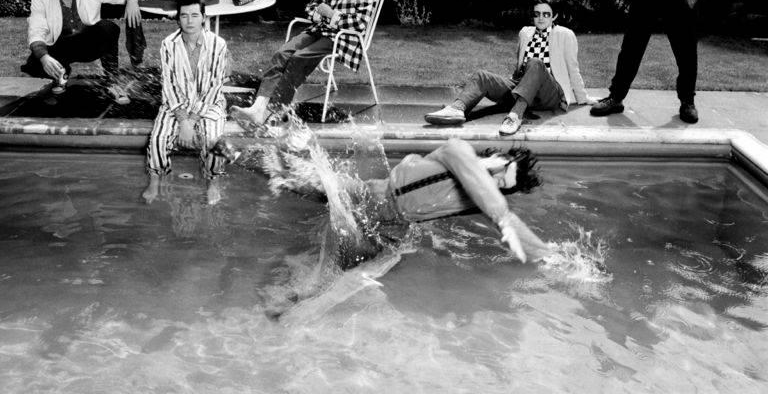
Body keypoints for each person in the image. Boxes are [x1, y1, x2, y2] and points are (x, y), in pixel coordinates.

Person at [213, 132, 551, 265]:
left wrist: (551, 257)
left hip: (391, 228)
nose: (495, 180)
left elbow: (512, 223)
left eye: (503, 184)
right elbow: (495, 204)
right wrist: (501, 213)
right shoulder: (459, 150)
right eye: (500, 171)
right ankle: (237, 152)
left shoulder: (487, 201)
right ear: (496, 159)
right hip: (371, 194)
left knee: (346, 268)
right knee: (304, 181)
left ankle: (294, 304)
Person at [236, 0, 382, 125]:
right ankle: (258, 108)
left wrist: (331, 15)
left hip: (344, 37)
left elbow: (360, 22)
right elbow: (312, 5)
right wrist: (317, 14)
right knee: (282, 53)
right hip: (319, 29)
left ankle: (275, 110)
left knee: (298, 58)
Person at [425, 0, 590, 135]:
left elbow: (572, 69)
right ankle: (456, 109)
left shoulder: (565, 35)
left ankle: (515, 116)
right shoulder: (525, 33)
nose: (540, 18)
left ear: (554, 16)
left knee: (535, 63)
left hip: (550, 93)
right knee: (482, 76)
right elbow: (519, 67)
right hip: (526, 89)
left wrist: (583, 98)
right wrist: (510, 84)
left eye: (546, 14)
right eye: (537, 14)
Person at [22, 0, 145, 103]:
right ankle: (61, 74)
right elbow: (36, 31)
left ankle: (112, 81)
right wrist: (44, 57)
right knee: (35, 62)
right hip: (60, 47)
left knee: (108, 28)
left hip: (87, 44)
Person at [142, 0, 230, 205]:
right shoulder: (168, 44)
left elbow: (214, 87)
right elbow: (169, 84)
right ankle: (155, 179)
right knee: (157, 139)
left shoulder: (218, 45)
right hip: (175, 104)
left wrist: (191, 120)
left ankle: (213, 182)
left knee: (214, 142)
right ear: (178, 18)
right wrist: (183, 119)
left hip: (208, 105)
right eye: (184, 16)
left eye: (194, 15)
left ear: (204, 18)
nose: (189, 21)